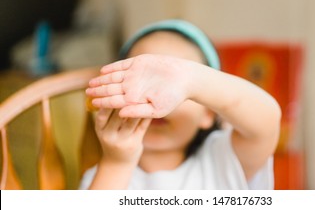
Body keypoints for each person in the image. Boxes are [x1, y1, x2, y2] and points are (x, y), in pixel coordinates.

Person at [80, 19, 281, 190]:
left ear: (208, 114)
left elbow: (267, 122)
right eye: (146, 83)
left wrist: (190, 78)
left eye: (179, 92)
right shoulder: (102, 177)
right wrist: (117, 163)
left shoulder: (223, 159)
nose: (154, 98)